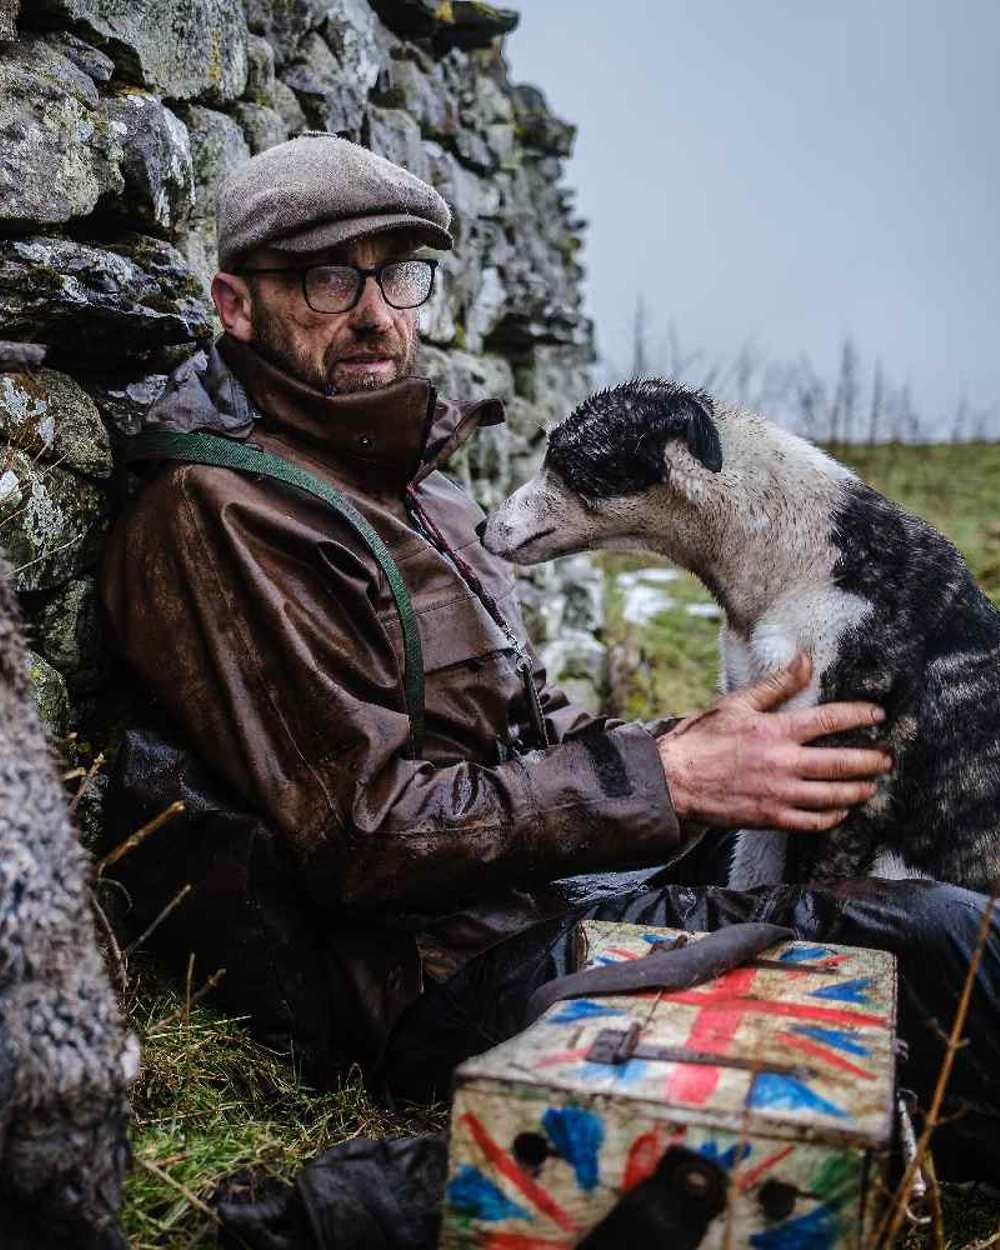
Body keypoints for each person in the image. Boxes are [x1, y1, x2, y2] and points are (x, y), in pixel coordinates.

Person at [99, 134, 999, 1178]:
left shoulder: (408, 487)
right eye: (326, 276)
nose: (375, 312)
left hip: (537, 888)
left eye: (399, 273)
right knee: (942, 942)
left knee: (864, 841)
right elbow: (361, 836)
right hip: (442, 975)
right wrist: (666, 775)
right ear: (235, 303)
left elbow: (526, 726)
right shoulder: (222, 514)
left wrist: (706, 751)